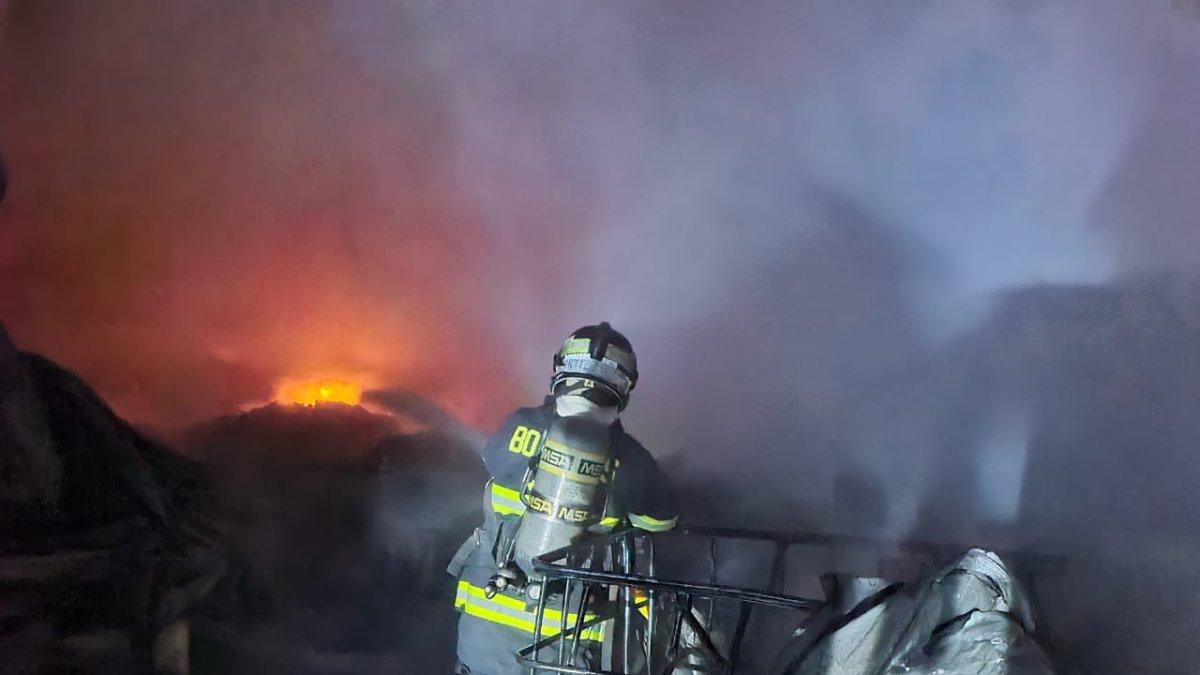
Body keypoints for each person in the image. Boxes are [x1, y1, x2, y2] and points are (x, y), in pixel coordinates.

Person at [449, 322, 678, 674]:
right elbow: (662, 523)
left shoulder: (518, 426)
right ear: (625, 386)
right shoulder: (633, 460)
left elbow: (492, 461)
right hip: (563, 651)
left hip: (484, 635)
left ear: (561, 370)